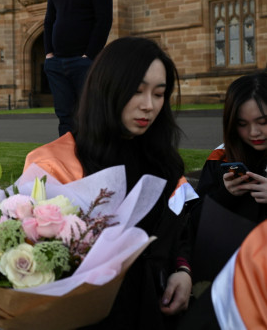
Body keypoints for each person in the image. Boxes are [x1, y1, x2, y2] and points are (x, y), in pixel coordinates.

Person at [24, 37, 196, 329]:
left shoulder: (165, 163)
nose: (149, 106)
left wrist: (183, 269)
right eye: (137, 91)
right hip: (85, 316)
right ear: (107, 88)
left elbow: (180, 231)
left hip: (154, 309)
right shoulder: (57, 164)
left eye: (159, 93)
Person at [43, 0, 113, 136]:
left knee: (88, 115)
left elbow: (104, 22)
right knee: (65, 117)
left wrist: (88, 56)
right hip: (57, 64)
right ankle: (69, 164)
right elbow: (49, 23)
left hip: (83, 63)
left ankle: (92, 162)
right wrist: (49, 56)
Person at [195, 73, 267, 224]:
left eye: (263, 122)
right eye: (242, 124)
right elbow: (194, 222)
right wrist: (225, 195)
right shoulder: (220, 158)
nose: (254, 132)